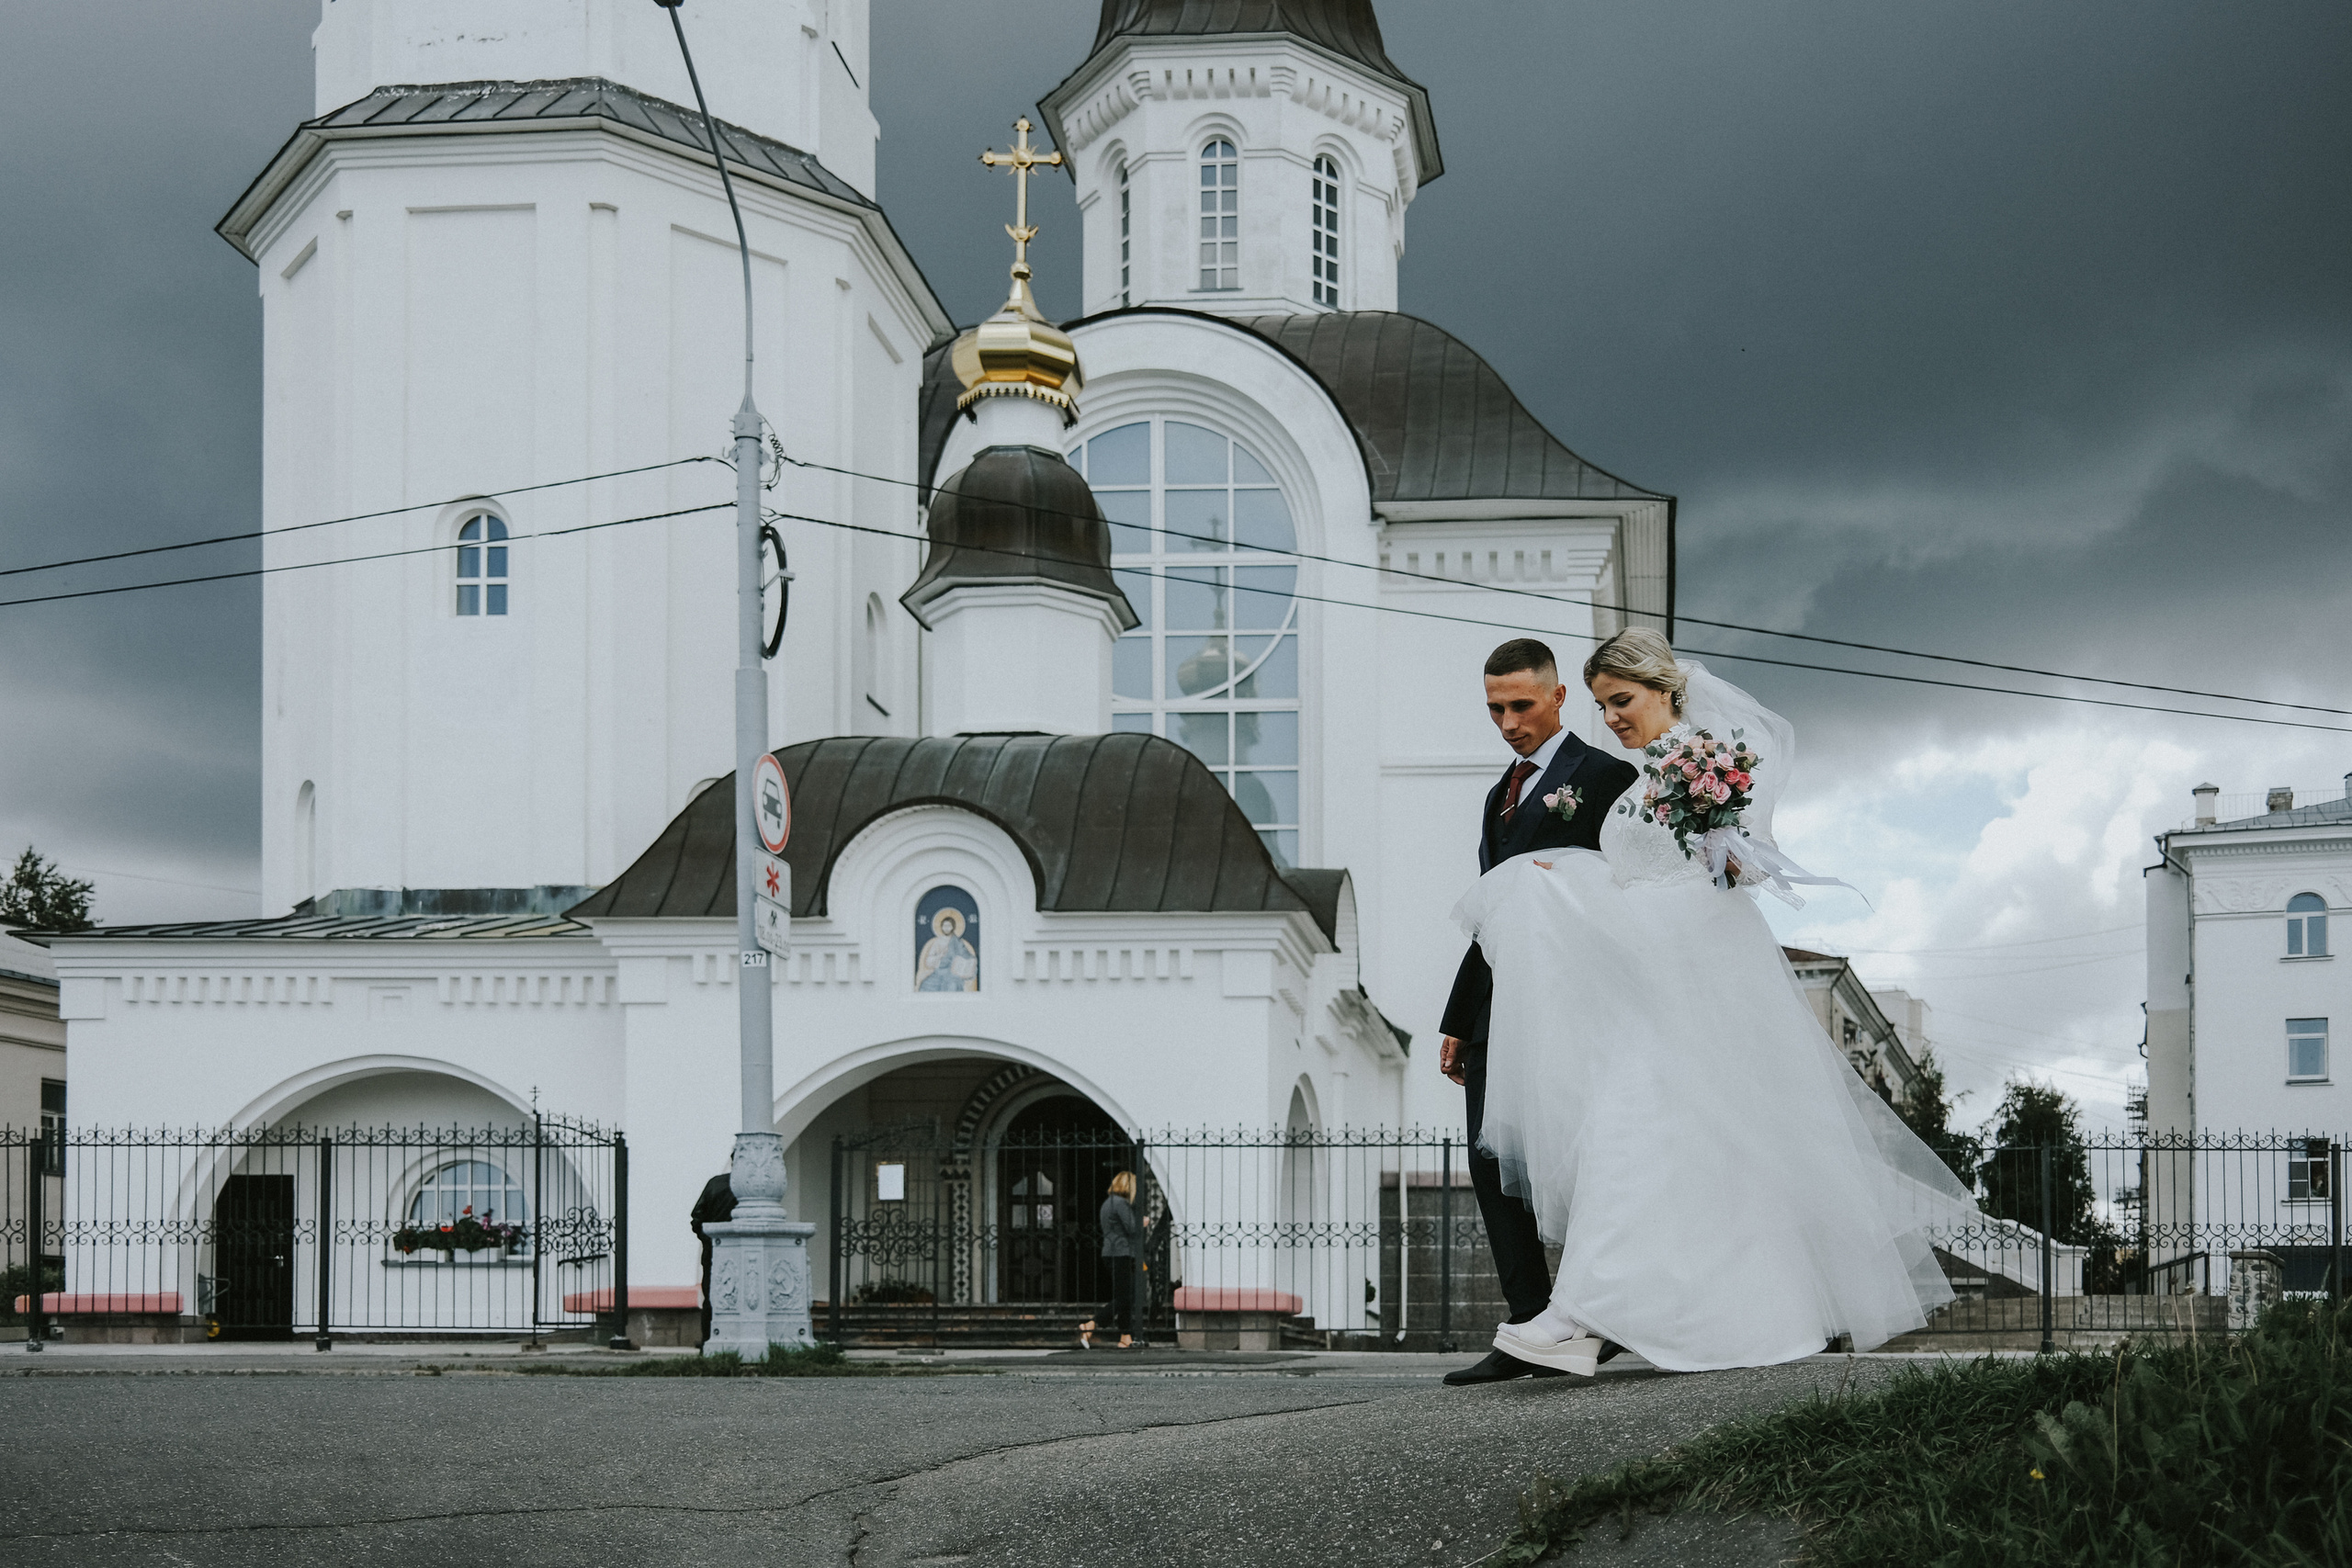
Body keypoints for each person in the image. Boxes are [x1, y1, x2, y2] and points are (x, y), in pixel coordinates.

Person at [1459, 628, 1976, 1376]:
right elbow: (1653, 874)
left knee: (1629, 1135)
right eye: (1604, 706)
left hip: (1678, 979)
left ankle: (1579, 1315)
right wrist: (1566, 877)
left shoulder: (1697, 764)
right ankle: (1666, 1313)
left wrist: (1574, 886)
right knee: (1675, 1153)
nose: (1612, 718)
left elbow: (1710, 881)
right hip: (1652, 988)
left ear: (1666, 690)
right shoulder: (1654, 773)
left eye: (1621, 700)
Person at [1438, 638, 1639, 1387]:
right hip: (1499, 1007)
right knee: (1490, 1161)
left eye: (1522, 705)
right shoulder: (1499, 794)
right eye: (1495, 708)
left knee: (1583, 1159)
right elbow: (1494, 914)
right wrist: (1459, 1018)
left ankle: (1594, 1314)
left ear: (1558, 698)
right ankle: (1528, 1323)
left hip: (1573, 1005)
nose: (1509, 722)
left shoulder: (1608, 775)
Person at [1079, 1170, 1149, 1349]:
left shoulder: (1108, 1203)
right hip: (1122, 1253)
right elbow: (1132, 1229)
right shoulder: (1121, 1203)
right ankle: (1091, 1324)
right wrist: (1143, 1222)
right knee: (1126, 1296)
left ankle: (1125, 1336)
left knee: (1124, 1295)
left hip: (1111, 1252)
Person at [689, 1171, 735, 1348]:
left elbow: (696, 1218)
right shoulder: (751, 1189)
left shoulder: (715, 1183)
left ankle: (708, 1341)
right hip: (740, 1253)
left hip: (713, 1251)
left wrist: (708, 1239)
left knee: (711, 1296)